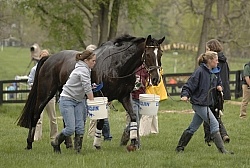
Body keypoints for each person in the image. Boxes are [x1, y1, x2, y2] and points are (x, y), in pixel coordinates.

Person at [175, 51, 233, 154]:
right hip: (199, 103)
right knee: (214, 123)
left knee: (193, 127)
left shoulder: (215, 71)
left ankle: (180, 148)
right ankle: (223, 151)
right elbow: (189, 85)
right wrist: (185, 95)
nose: (217, 62)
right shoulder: (200, 71)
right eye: (216, 60)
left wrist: (220, 87)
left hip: (206, 103)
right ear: (210, 61)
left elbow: (219, 82)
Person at [51, 50, 96, 154]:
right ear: (86, 60)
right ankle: (56, 142)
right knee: (70, 129)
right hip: (67, 100)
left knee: (80, 127)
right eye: (93, 61)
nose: (95, 63)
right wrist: (93, 102)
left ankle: (78, 151)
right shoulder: (82, 70)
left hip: (79, 100)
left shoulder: (86, 69)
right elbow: (87, 88)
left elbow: (86, 85)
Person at [203, 39, 230, 143]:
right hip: (221, 90)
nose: (205, 51)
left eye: (207, 49)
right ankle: (219, 136)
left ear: (211, 49)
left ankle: (214, 136)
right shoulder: (224, 61)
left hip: (214, 90)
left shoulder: (213, 61)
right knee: (214, 113)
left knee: (209, 114)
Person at [27, 49, 58, 141]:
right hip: (39, 96)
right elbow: (30, 81)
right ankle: (37, 136)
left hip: (50, 96)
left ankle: (54, 135)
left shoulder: (52, 70)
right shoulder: (35, 69)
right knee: (38, 118)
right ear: (40, 58)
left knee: (53, 117)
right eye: (42, 57)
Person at [86, 44, 112, 141]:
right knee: (93, 117)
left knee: (103, 117)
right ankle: (92, 135)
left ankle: (107, 136)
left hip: (100, 95)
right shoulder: (86, 69)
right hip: (90, 95)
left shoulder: (102, 68)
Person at [120, 65, 149, 146]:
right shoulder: (131, 68)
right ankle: (136, 144)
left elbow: (146, 80)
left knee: (135, 121)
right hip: (132, 98)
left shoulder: (144, 69)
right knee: (136, 121)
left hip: (141, 97)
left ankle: (125, 135)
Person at [139, 68, 168, 136]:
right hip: (155, 93)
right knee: (153, 113)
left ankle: (144, 132)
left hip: (150, 93)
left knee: (147, 113)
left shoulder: (150, 70)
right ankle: (154, 131)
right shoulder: (159, 69)